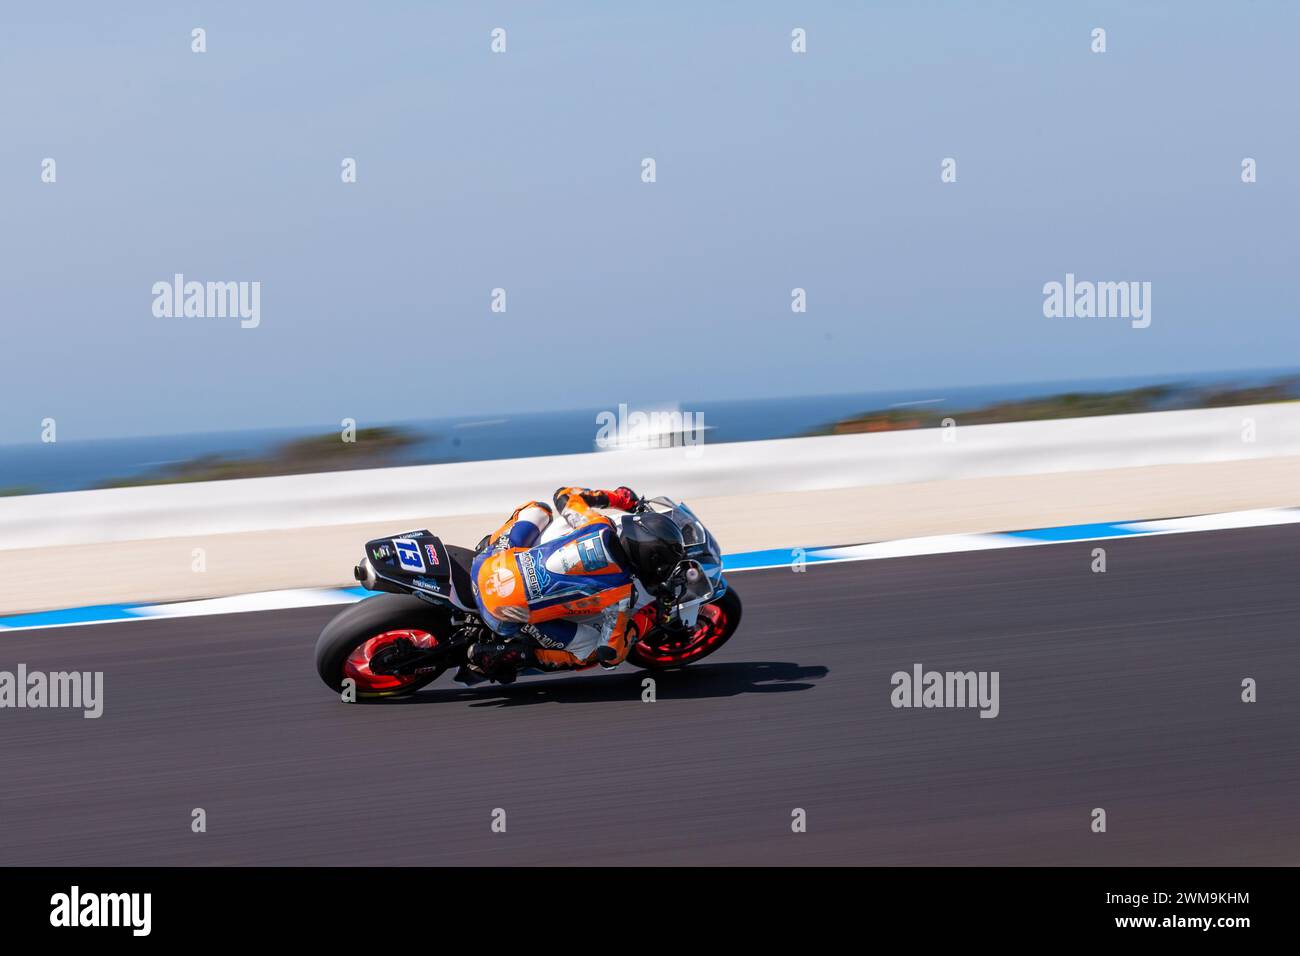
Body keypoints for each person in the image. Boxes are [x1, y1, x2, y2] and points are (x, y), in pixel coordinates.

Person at [459, 485, 687, 684]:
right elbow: (611, 655)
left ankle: (489, 542)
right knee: (589, 653)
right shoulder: (622, 594)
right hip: (501, 615)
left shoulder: (598, 523)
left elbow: (564, 494)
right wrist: (648, 616)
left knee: (539, 509)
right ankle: (511, 654)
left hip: (486, 563)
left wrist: (621, 499)